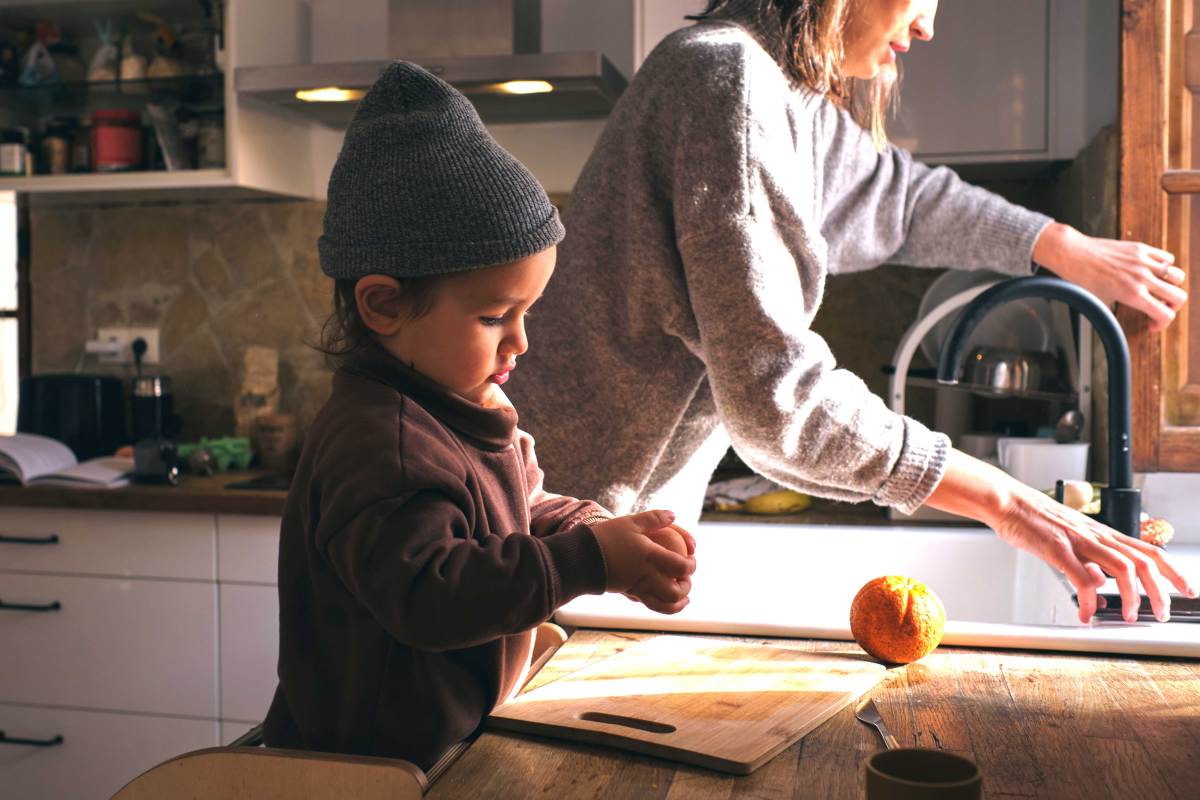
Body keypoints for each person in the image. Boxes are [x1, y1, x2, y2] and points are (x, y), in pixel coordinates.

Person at [507, 0, 1195, 625]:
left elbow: (900, 199)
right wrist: (1009, 503)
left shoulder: (776, 95)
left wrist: (1059, 246)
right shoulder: (730, 82)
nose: (928, 25)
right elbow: (779, 401)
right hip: (548, 536)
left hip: (600, 539)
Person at [262, 62, 696, 771]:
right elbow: (430, 593)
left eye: (527, 312)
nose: (521, 341)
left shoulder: (465, 405)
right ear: (384, 306)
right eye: (496, 316)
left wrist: (590, 527)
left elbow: (518, 509)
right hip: (366, 773)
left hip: (442, 750)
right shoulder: (382, 441)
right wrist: (591, 562)